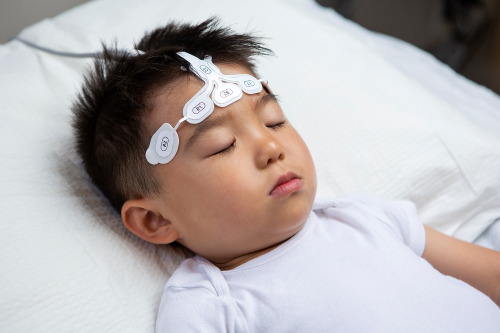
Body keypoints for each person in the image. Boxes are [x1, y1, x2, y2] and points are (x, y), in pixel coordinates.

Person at [72, 18, 500, 332]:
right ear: (156, 220)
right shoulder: (211, 306)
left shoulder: (364, 217)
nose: (271, 147)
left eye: (274, 120)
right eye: (223, 146)